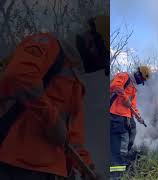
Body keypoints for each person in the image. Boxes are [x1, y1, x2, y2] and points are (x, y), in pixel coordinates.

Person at [0, 15, 107, 180]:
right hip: (16, 163)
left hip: (51, 172)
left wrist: (88, 168)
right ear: (91, 41)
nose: (97, 65)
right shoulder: (49, 44)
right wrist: (52, 120)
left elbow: (73, 139)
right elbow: (18, 76)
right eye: (101, 56)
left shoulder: (76, 82)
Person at [109, 66, 151, 170]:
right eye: (142, 79)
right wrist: (125, 98)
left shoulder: (133, 89)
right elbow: (115, 86)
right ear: (138, 74)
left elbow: (133, 106)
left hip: (127, 117)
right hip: (116, 115)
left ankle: (124, 158)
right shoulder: (124, 76)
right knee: (121, 145)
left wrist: (139, 118)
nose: (141, 82)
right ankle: (116, 172)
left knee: (133, 132)